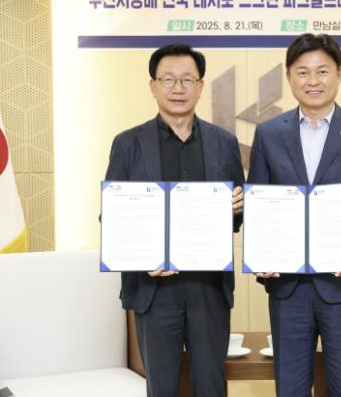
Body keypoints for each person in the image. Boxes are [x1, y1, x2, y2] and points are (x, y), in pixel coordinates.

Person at [247, 33, 341, 397]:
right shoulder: (268, 134)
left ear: (339, 75)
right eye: (302, 72)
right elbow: (259, 204)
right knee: (290, 389)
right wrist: (263, 254)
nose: (312, 81)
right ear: (289, 77)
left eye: (322, 71)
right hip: (288, 289)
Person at [104, 44, 244, 397]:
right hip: (153, 289)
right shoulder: (127, 144)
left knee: (211, 385)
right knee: (162, 387)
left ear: (201, 86)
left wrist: (238, 209)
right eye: (168, 79)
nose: (178, 88)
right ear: (153, 86)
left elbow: (236, 216)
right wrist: (142, 258)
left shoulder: (224, 143)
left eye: (187, 80)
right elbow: (113, 216)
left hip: (209, 287)